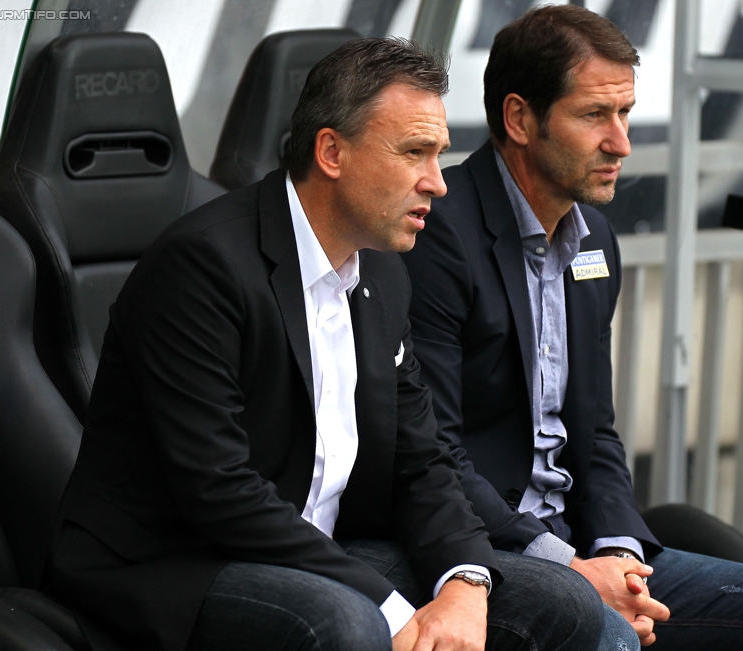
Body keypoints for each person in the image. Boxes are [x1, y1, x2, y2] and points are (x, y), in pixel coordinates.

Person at [44, 37, 614, 651]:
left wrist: (464, 582)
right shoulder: (202, 266)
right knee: (349, 623)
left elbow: (421, 461)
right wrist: (397, 609)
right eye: (415, 153)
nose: (438, 183)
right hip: (175, 560)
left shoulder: (385, 272)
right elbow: (218, 489)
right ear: (331, 152)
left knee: (560, 601)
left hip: (317, 548)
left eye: (439, 154)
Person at [400, 5, 743, 650]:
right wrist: (573, 569)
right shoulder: (436, 232)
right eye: (594, 116)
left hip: (583, 545)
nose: (622, 142)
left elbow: (595, 429)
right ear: (520, 119)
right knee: (607, 635)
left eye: (625, 113)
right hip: (486, 549)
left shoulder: (594, 240)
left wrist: (618, 554)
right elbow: (433, 452)